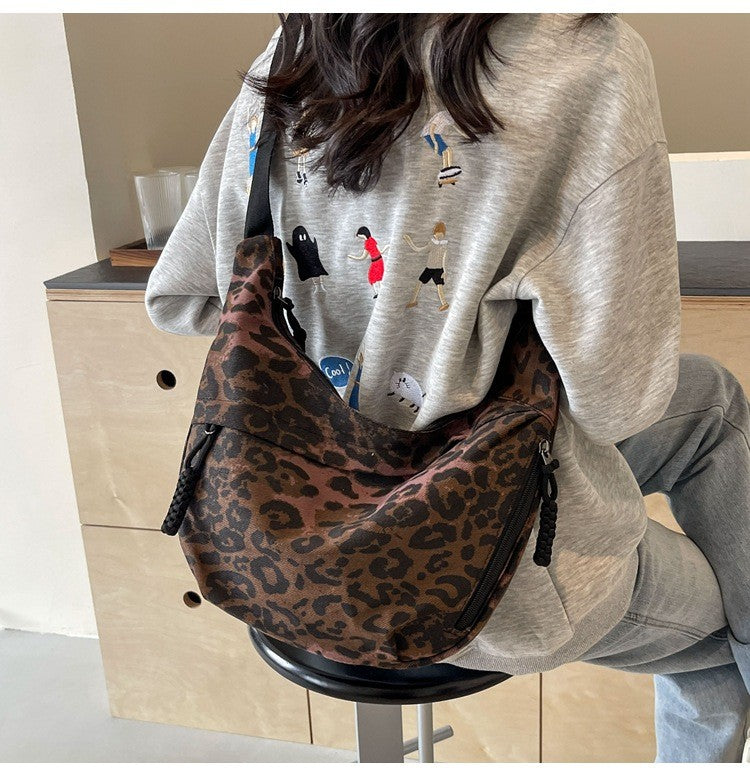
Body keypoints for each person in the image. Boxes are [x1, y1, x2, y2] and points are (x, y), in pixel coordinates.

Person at [145, 13, 749, 762]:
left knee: (713, 400)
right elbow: (615, 397)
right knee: (727, 637)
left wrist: (355, 354)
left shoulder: (300, 48)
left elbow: (183, 297)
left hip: (280, 538)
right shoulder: (589, 60)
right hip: (484, 571)